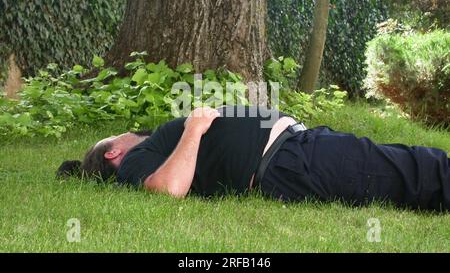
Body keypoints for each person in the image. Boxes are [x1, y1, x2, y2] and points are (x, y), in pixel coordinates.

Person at [57, 105, 450, 212]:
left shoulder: (155, 149)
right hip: (289, 162)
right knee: (404, 171)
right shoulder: (135, 159)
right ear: (113, 151)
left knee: (392, 162)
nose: (132, 130)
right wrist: (194, 127)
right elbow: (167, 191)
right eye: (120, 135)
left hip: (296, 149)